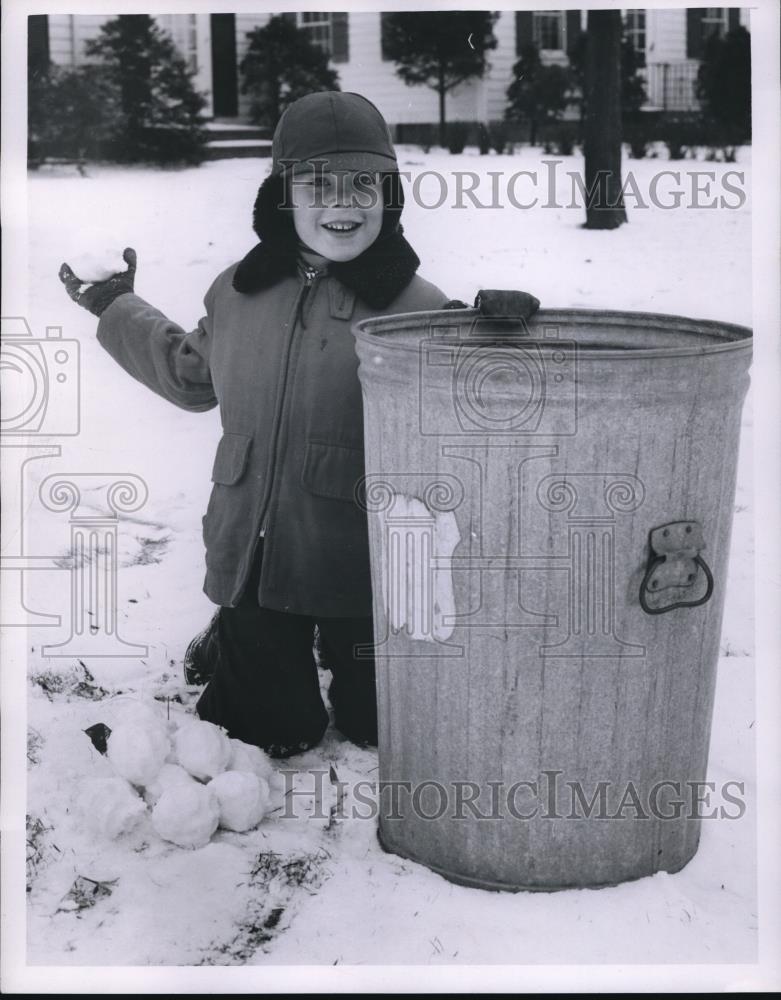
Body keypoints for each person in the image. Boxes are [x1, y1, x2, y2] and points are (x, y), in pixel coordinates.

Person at [58, 91, 451, 757]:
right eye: (318, 183)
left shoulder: (419, 310)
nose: (343, 203)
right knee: (271, 731)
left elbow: (473, 416)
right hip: (258, 551)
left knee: (380, 728)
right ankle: (235, 637)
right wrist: (114, 305)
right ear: (282, 196)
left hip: (365, 568)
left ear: (389, 196)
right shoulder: (239, 290)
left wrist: (494, 338)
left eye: (364, 184)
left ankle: (337, 654)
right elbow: (189, 377)